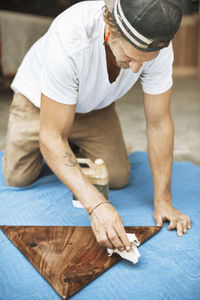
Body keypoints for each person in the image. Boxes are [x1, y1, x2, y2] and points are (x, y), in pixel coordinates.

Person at [3, 0, 191, 252]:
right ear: (110, 29)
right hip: (38, 103)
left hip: (94, 107)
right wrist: (96, 205)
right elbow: (50, 136)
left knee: (117, 177)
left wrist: (164, 201)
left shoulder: (157, 43)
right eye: (130, 57)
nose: (136, 69)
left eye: (144, 62)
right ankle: (65, 150)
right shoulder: (69, 38)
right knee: (18, 177)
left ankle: (71, 150)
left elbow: (158, 123)